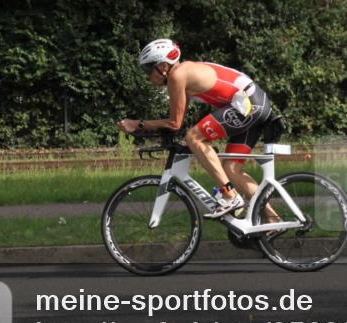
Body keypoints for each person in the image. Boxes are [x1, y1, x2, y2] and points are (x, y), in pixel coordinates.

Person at [117, 39, 279, 220]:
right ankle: (273, 219)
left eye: (148, 70)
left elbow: (174, 123)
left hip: (248, 104)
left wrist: (137, 124)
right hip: (254, 102)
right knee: (231, 169)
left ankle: (230, 195)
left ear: (163, 66)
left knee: (193, 138)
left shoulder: (177, 75)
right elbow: (177, 120)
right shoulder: (184, 73)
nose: (147, 77)